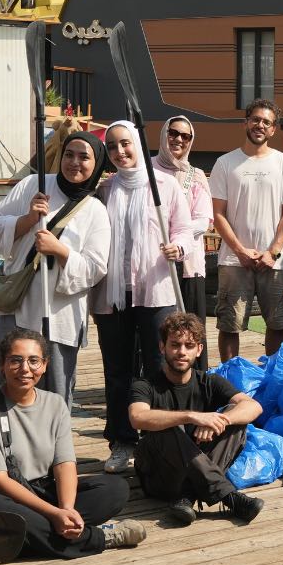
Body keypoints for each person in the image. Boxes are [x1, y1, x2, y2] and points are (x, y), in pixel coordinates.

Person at [0, 328, 146, 557]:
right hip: (2, 496)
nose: (25, 369)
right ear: (2, 364)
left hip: (43, 491)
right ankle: (98, 537)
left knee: (115, 489)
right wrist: (52, 514)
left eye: (33, 361)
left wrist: (66, 509)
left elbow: (64, 464)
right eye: (15, 360)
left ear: (45, 365)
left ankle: (30, 536)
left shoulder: (55, 404)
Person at [91, 120, 194, 476]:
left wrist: (178, 246)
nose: (120, 152)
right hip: (113, 293)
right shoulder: (106, 190)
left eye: (126, 144)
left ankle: (159, 440)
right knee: (117, 371)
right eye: (114, 147)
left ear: (136, 143)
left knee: (157, 366)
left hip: (155, 288)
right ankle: (121, 440)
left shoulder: (163, 185)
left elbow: (185, 228)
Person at [0, 130, 111, 410]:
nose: (74, 162)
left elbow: (95, 267)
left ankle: (53, 448)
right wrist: (29, 218)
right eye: (69, 154)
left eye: (84, 157)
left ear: (96, 163)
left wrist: (60, 250)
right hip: (15, 304)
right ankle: (3, 441)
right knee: (5, 379)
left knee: (54, 389)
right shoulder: (34, 185)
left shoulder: (96, 211)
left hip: (57, 314)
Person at [130, 312, 265, 526]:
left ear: (199, 349)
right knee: (167, 426)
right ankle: (229, 497)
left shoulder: (209, 381)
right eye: (175, 345)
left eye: (189, 345)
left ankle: (188, 496)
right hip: (160, 477)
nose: (181, 352)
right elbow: (138, 417)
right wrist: (192, 417)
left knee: (235, 419)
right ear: (162, 347)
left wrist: (221, 421)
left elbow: (254, 406)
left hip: (193, 475)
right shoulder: (145, 385)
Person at [210, 99, 283, 363]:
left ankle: (273, 381)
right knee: (230, 325)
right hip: (234, 260)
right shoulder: (225, 163)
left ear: (273, 130)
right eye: (255, 119)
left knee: (277, 324)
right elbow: (218, 214)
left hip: (274, 261)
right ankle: (232, 385)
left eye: (267, 122)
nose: (260, 125)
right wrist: (240, 251)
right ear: (245, 123)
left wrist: (272, 252)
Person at [152, 115, 215, 367]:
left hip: (188, 263)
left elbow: (204, 220)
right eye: (173, 133)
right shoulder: (147, 169)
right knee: (157, 327)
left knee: (192, 328)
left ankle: (196, 381)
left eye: (185, 136)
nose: (178, 139)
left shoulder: (195, 175)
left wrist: (176, 234)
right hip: (153, 264)